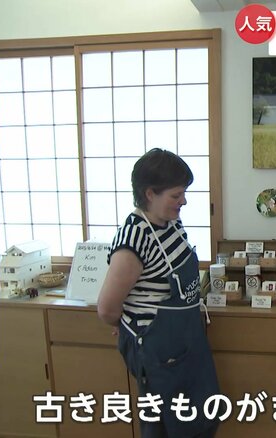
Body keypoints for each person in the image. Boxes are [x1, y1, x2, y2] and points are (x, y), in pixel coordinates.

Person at [97, 148, 220, 438]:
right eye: (176, 195)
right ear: (150, 193)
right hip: (158, 351)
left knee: (202, 416)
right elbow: (107, 308)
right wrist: (127, 326)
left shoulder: (171, 223)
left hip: (187, 341)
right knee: (167, 426)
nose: (184, 201)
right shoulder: (134, 237)